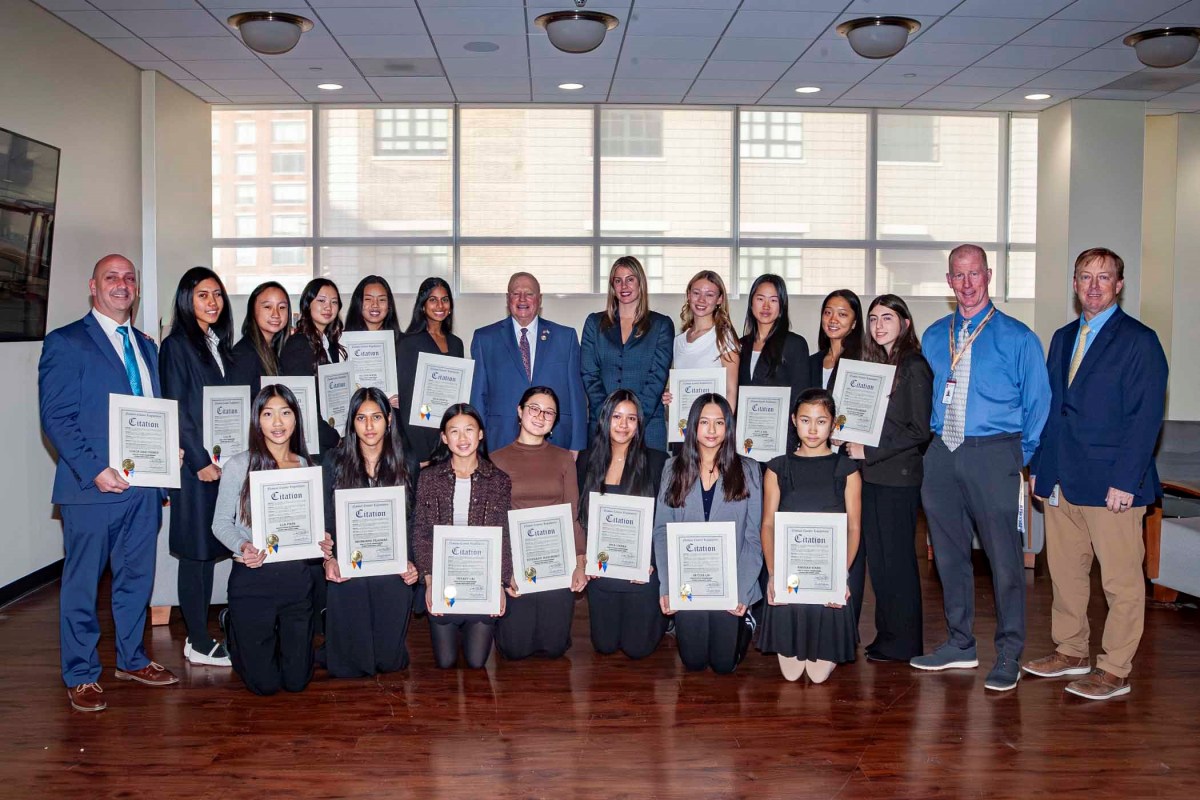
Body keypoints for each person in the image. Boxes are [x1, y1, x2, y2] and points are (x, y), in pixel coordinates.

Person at [1024, 248, 1168, 700]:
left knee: (1121, 582)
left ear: (1119, 285)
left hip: (1113, 487)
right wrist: (1040, 470)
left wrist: (1126, 481)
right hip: (1063, 481)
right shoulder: (1063, 338)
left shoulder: (1139, 341)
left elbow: (1146, 419)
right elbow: (1051, 412)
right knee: (1065, 575)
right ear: (1073, 282)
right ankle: (1070, 652)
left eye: (1103, 278)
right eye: (1085, 276)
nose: (1093, 286)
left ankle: (1114, 669)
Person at [39, 254, 179, 712]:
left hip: (143, 490)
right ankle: (80, 673)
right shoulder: (66, 342)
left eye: (129, 278)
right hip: (91, 488)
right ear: (93, 287)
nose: (122, 285)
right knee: (82, 584)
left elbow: (152, 410)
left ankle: (132, 659)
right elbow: (56, 417)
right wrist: (95, 469)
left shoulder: (146, 345)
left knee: (136, 580)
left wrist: (166, 451)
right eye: (111, 278)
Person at [912, 244, 1050, 693]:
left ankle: (1009, 652)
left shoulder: (1018, 337)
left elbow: (1039, 405)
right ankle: (960, 643)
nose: (967, 284)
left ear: (988, 275)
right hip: (942, 453)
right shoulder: (935, 335)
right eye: (958, 275)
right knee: (949, 556)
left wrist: (1018, 457)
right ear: (948, 281)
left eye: (975, 274)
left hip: (995, 451)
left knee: (1003, 558)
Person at [842, 295, 932, 663]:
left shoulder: (914, 365)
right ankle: (889, 635)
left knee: (897, 562)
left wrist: (869, 451)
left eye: (888, 318)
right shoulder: (879, 366)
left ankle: (906, 642)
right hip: (874, 478)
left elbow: (917, 430)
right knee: (880, 562)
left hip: (897, 478)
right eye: (874, 318)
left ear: (906, 324)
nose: (879, 325)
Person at [211, 385, 316, 695]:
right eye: (268, 414)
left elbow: (309, 524)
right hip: (252, 577)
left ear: (296, 418)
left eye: (285, 412)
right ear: (257, 420)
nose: (278, 422)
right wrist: (243, 546)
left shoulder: (306, 466)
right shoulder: (238, 465)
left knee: (297, 682)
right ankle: (233, 627)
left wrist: (320, 540)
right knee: (264, 686)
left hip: (296, 579)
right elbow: (219, 523)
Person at [653, 394, 763, 674]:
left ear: (729, 428)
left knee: (725, 665)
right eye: (704, 422)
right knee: (693, 661)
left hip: (730, 582)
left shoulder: (748, 470)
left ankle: (747, 620)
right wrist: (667, 585)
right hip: (688, 581)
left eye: (719, 423)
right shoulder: (672, 468)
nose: (712, 431)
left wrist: (742, 590)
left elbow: (753, 537)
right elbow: (663, 531)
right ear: (693, 426)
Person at [759, 389, 862, 683]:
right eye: (805, 420)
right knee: (791, 675)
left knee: (817, 676)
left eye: (821, 421)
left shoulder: (847, 469)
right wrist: (772, 574)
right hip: (790, 578)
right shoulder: (777, 467)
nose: (813, 429)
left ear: (833, 425)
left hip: (828, 579)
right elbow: (767, 524)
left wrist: (841, 575)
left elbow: (854, 527)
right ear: (793, 421)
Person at [159, 267, 235, 667]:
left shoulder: (219, 344)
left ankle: (204, 633)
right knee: (196, 554)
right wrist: (202, 461)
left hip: (223, 467)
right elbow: (178, 408)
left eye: (218, 295)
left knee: (209, 551)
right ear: (187, 299)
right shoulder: (177, 346)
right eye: (203, 294)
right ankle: (197, 640)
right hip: (195, 470)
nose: (212, 302)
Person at [319, 387, 421, 677]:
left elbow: (412, 518)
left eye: (376, 417)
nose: (369, 425)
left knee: (389, 662)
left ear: (389, 420)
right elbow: (327, 517)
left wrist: (411, 562)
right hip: (349, 560)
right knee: (352, 665)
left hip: (392, 560)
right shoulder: (334, 461)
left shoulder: (407, 461)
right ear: (351, 422)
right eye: (361, 418)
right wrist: (329, 559)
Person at [411, 404, 512, 669]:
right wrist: (430, 582)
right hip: (442, 579)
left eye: (469, 430)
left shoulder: (499, 480)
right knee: (445, 662)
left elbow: (504, 535)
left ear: (481, 434)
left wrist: (499, 586)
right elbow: (421, 532)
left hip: (481, 582)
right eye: (454, 431)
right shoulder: (429, 478)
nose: (463, 438)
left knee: (477, 662)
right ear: (444, 437)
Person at [492, 386, 587, 660]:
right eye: (534, 408)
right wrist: (503, 572)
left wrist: (579, 564)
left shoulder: (564, 459)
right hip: (515, 563)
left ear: (554, 421)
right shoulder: (496, 460)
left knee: (554, 648)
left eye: (549, 412)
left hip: (555, 561)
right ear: (520, 411)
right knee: (514, 649)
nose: (540, 416)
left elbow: (572, 514)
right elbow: (494, 523)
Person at [576, 390, 669, 659]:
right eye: (617, 416)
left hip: (641, 570)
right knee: (604, 646)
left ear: (639, 424)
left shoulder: (657, 461)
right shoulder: (586, 459)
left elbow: (663, 519)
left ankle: (663, 618)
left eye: (631, 418)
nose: (623, 425)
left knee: (637, 649)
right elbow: (580, 515)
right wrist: (584, 560)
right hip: (602, 568)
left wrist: (651, 561)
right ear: (605, 419)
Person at [470, 272, 588, 453]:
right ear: (507, 298)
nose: (522, 299)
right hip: (501, 442)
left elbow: (576, 395)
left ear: (539, 299)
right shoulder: (485, 338)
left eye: (529, 294)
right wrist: (476, 445)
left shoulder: (566, 337)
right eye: (516, 293)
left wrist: (577, 444)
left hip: (556, 441)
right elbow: (478, 396)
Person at [580, 256, 674, 451]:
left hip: (648, 428)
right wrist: (608, 419)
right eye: (618, 280)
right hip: (602, 426)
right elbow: (589, 375)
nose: (624, 285)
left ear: (641, 283)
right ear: (612, 287)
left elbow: (657, 378)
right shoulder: (594, 323)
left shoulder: (661, 325)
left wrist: (634, 420)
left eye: (630, 279)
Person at [738, 273, 810, 449]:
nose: (766, 306)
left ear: (782, 305)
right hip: (744, 438)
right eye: (760, 298)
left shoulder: (795, 344)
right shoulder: (740, 344)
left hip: (781, 440)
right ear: (751, 303)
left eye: (773, 300)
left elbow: (801, 397)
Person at [397, 277, 464, 466]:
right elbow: (409, 401)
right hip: (421, 436)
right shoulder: (408, 343)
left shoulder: (456, 344)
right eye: (433, 299)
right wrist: (421, 451)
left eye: (445, 299)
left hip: (451, 434)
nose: (440, 305)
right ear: (422, 305)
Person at [279, 277, 346, 454]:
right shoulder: (298, 344)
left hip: (329, 436)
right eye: (321, 300)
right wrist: (334, 438)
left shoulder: (329, 343)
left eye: (334, 302)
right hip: (313, 443)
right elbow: (301, 404)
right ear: (307, 304)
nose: (328, 307)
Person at [663, 270, 740, 415]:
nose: (701, 300)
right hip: (684, 428)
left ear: (719, 299)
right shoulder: (678, 341)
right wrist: (669, 395)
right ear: (688, 295)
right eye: (696, 293)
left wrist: (723, 426)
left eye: (709, 295)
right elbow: (679, 386)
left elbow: (731, 391)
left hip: (712, 427)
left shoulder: (724, 338)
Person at [344, 275, 404, 410]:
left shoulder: (404, 344)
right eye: (368, 299)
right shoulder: (342, 344)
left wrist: (404, 398)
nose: (375, 305)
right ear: (358, 303)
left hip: (394, 419)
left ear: (389, 306)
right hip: (356, 417)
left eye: (382, 300)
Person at [227, 281, 291, 398]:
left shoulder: (272, 348)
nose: (276, 314)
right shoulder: (244, 354)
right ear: (252, 311)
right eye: (267, 307)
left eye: (282, 307)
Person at [808, 289, 864, 391]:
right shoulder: (811, 362)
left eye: (842, 314)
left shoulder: (864, 361)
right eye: (828, 313)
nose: (833, 320)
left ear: (854, 323)